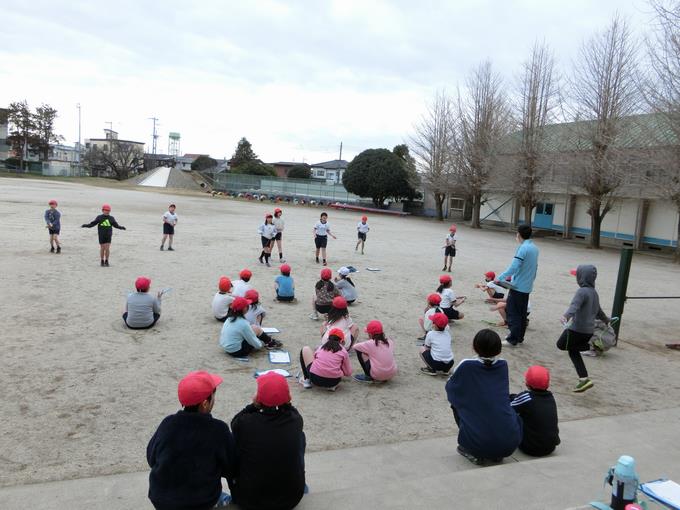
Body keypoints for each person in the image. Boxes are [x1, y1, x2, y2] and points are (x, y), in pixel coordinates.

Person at [147, 370, 234, 510]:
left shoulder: (168, 423)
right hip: (201, 502)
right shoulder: (218, 429)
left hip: (161, 499)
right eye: (213, 395)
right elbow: (231, 467)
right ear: (205, 403)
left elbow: (151, 458)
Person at [445, 329, 522, 465]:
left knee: (457, 405)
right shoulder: (503, 365)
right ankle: (496, 449)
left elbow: (451, 388)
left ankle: (473, 449)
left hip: (481, 443)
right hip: (510, 444)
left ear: (474, 347)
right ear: (499, 350)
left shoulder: (466, 364)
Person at [230, 372, 305, 510]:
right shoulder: (295, 420)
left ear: (259, 398)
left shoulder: (246, 422)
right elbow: (292, 410)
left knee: (237, 440)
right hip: (291, 498)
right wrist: (285, 401)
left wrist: (252, 405)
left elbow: (234, 423)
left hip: (249, 501)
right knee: (301, 437)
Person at [557, 264, 609, 393]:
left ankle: (592, 346)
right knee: (572, 350)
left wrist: (566, 316)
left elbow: (574, 306)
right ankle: (583, 379)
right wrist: (606, 320)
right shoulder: (594, 293)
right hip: (588, 331)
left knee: (561, 344)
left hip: (577, 329)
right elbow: (599, 311)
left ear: (581, 277)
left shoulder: (582, 292)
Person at [497, 224, 539, 346]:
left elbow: (514, 266)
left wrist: (500, 277)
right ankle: (519, 337)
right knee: (521, 313)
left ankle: (513, 339)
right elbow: (535, 267)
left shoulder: (523, 248)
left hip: (518, 286)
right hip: (526, 286)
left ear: (519, 234)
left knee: (513, 312)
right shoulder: (534, 248)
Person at [510, 365, 560, 457]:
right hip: (550, 447)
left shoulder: (526, 397)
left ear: (527, 383)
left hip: (530, 448)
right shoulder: (550, 397)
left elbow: (508, 408)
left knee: (515, 416)